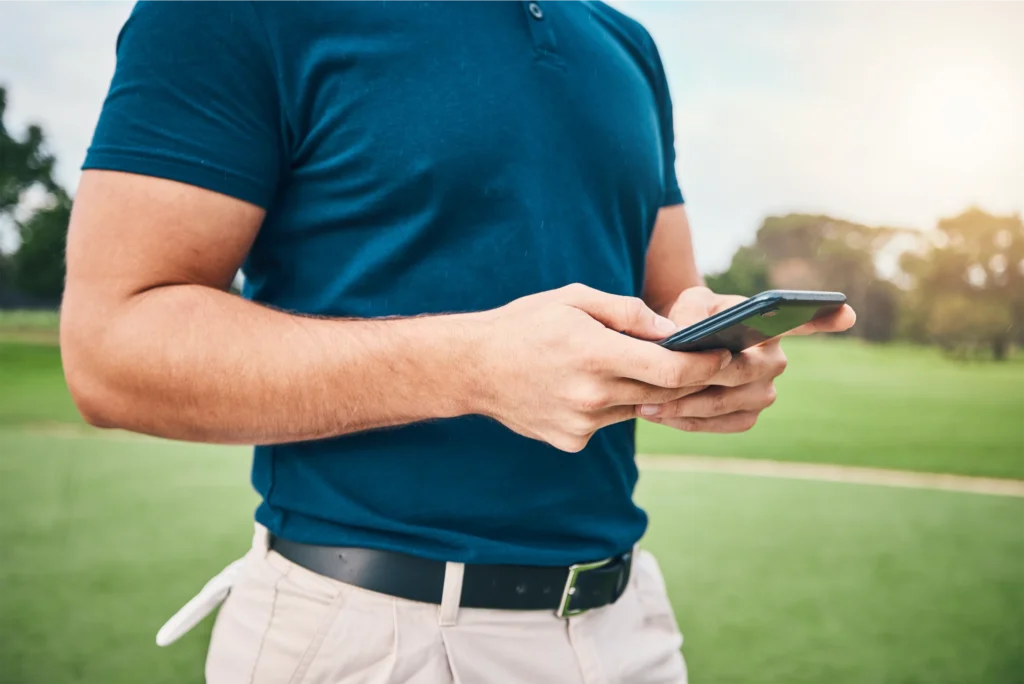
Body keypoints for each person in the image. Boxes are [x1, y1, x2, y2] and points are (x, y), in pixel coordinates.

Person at [61, 0, 856, 682]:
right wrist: (471, 367)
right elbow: (109, 348)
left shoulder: (626, 46)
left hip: (626, 629)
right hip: (371, 639)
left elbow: (668, 303)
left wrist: (715, 359)